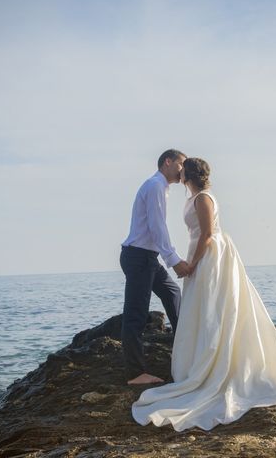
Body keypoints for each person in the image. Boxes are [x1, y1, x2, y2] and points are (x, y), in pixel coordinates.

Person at [132, 157, 276, 430]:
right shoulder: (191, 197)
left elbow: (208, 235)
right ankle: (200, 358)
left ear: (187, 176)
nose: (178, 173)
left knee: (214, 308)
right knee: (202, 308)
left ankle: (215, 362)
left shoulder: (203, 199)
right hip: (198, 254)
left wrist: (191, 264)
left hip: (210, 257)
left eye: (181, 170)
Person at [120, 149, 191, 386]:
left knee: (173, 293)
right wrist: (174, 260)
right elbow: (156, 226)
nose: (184, 169)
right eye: (182, 164)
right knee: (135, 315)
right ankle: (135, 373)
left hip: (147, 257)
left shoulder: (161, 188)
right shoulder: (155, 186)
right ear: (167, 162)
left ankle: (184, 350)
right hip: (139, 257)